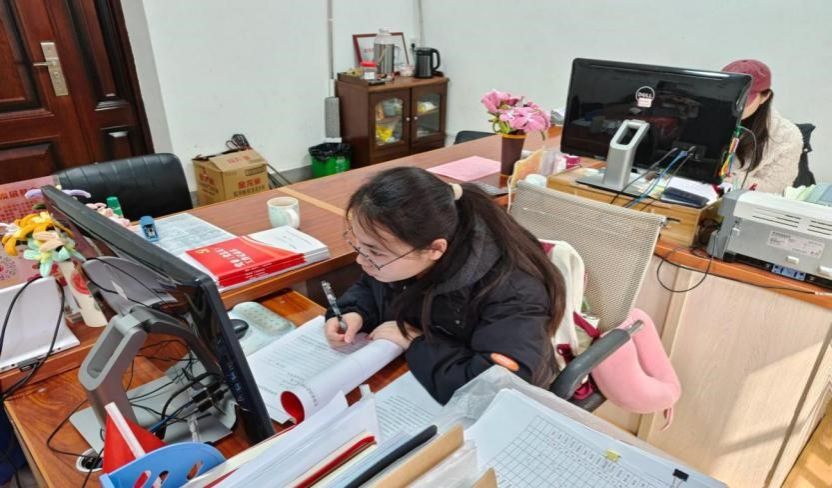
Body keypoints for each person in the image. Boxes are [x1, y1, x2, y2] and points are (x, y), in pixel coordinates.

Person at [324, 167, 566, 403]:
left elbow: (495, 389)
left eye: (374, 252)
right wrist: (354, 312)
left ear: (435, 249)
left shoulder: (513, 290)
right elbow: (373, 286)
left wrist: (416, 342)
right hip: (415, 374)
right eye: (358, 245)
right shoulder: (404, 253)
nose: (361, 260)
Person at [722, 59, 803, 194]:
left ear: (765, 96)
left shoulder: (787, 136)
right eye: (728, 96)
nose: (735, 106)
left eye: (744, 99)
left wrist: (729, 179)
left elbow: (776, 188)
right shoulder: (702, 115)